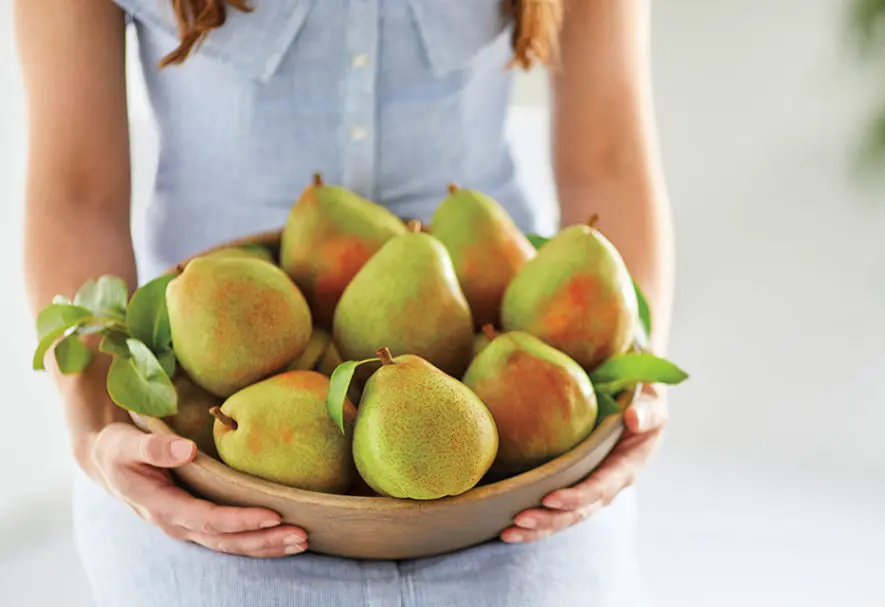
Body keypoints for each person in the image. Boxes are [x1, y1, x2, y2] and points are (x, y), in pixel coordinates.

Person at [15, 0, 675, 605]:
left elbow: (608, 159)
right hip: (206, 419)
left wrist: (635, 381)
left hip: (518, 427)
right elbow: (76, 196)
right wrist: (97, 423)